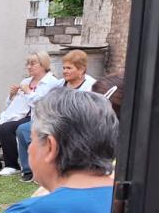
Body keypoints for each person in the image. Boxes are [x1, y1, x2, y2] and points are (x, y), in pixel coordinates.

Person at [15, 49, 97, 182]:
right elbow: (45, 101)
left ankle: (54, 169)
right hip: (54, 121)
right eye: (64, 68)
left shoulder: (91, 86)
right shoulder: (60, 84)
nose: (65, 71)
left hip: (77, 125)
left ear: (81, 69)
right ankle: (29, 170)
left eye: (69, 68)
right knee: (23, 129)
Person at [0, 51, 58, 176]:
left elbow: (43, 105)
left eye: (32, 64)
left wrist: (28, 92)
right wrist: (11, 95)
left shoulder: (52, 82)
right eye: (27, 64)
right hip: (19, 115)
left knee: (6, 128)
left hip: (36, 116)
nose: (29, 67)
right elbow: (12, 105)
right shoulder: (26, 81)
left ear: (43, 64)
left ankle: (12, 165)